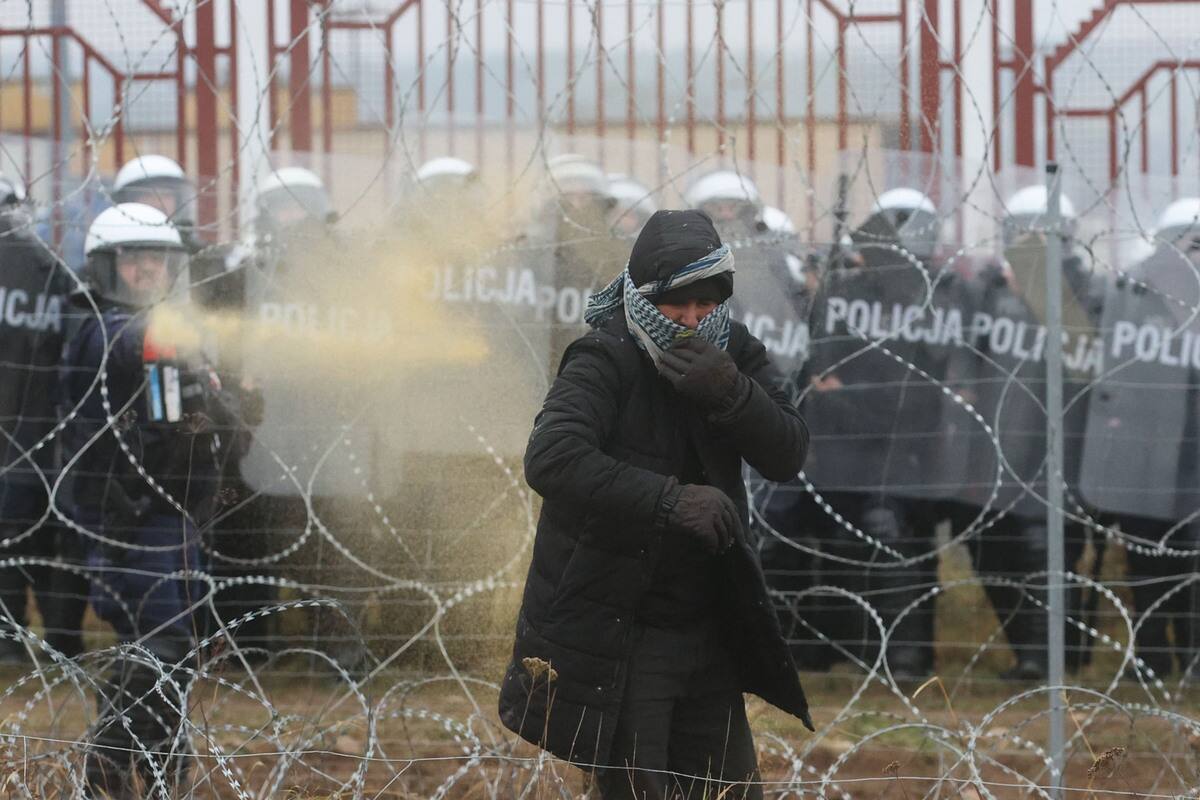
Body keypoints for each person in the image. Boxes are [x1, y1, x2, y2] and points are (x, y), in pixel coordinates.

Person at [498, 209, 812, 800]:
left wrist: (732, 393)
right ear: (643, 296)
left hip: (709, 622)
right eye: (675, 306)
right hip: (622, 628)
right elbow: (552, 456)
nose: (691, 322)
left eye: (706, 305)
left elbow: (788, 452)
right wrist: (669, 500)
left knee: (730, 790)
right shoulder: (606, 355)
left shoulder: (734, 351)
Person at [65, 202, 239, 796]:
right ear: (106, 268)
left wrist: (222, 404)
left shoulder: (165, 330)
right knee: (162, 646)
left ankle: (157, 770)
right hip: (129, 519)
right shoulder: (101, 326)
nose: (149, 271)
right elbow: (125, 349)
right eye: (134, 260)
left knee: (162, 651)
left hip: (172, 516)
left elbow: (189, 416)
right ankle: (115, 768)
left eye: (160, 260)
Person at [957, 185, 1092, 679]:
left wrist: (1039, 289)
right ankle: (1031, 647)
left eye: (1042, 231)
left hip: (1059, 446)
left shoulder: (1084, 289)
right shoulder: (991, 289)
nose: (1032, 240)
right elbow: (965, 350)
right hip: (996, 442)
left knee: (1048, 548)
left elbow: (1085, 358)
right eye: (1024, 231)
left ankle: (1049, 657)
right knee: (990, 545)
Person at [1069, 196, 1200, 679]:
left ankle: (1181, 652)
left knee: (1173, 556)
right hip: (1145, 448)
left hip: (1177, 449)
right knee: (1147, 554)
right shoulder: (1134, 289)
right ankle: (1153, 652)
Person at [0, 174, 84, 662]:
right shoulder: (52, 269)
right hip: (52, 438)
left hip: (14, 434)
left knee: (9, 543)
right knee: (58, 546)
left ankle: (9, 643)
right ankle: (64, 644)